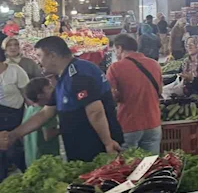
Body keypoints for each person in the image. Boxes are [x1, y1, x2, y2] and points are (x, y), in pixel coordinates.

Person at [0, 37, 122, 162]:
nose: (38, 61)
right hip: (79, 147)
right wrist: (13, 135)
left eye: (39, 56)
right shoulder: (63, 76)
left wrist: (107, 142)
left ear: (52, 56)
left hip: (96, 147)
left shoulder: (78, 74)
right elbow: (45, 113)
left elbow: (95, 112)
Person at [106, 34, 162, 154]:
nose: (115, 53)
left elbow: (111, 98)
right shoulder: (154, 64)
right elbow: (160, 92)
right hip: (153, 123)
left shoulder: (115, 67)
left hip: (128, 125)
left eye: (115, 50)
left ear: (120, 48)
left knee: (127, 167)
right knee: (151, 166)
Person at [0, 46, 30, 179]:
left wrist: (30, 118)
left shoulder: (15, 70)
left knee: (15, 151)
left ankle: (27, 176)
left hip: (15, 117)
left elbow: (28, 96)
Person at [22, 77, 60, 165]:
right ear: (40, 96)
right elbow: (48, 135)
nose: (54, 89)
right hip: (46, 159)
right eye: (50, 88)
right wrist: (65, 128)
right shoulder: (47, 112)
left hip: (31, 157)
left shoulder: (30, 109)